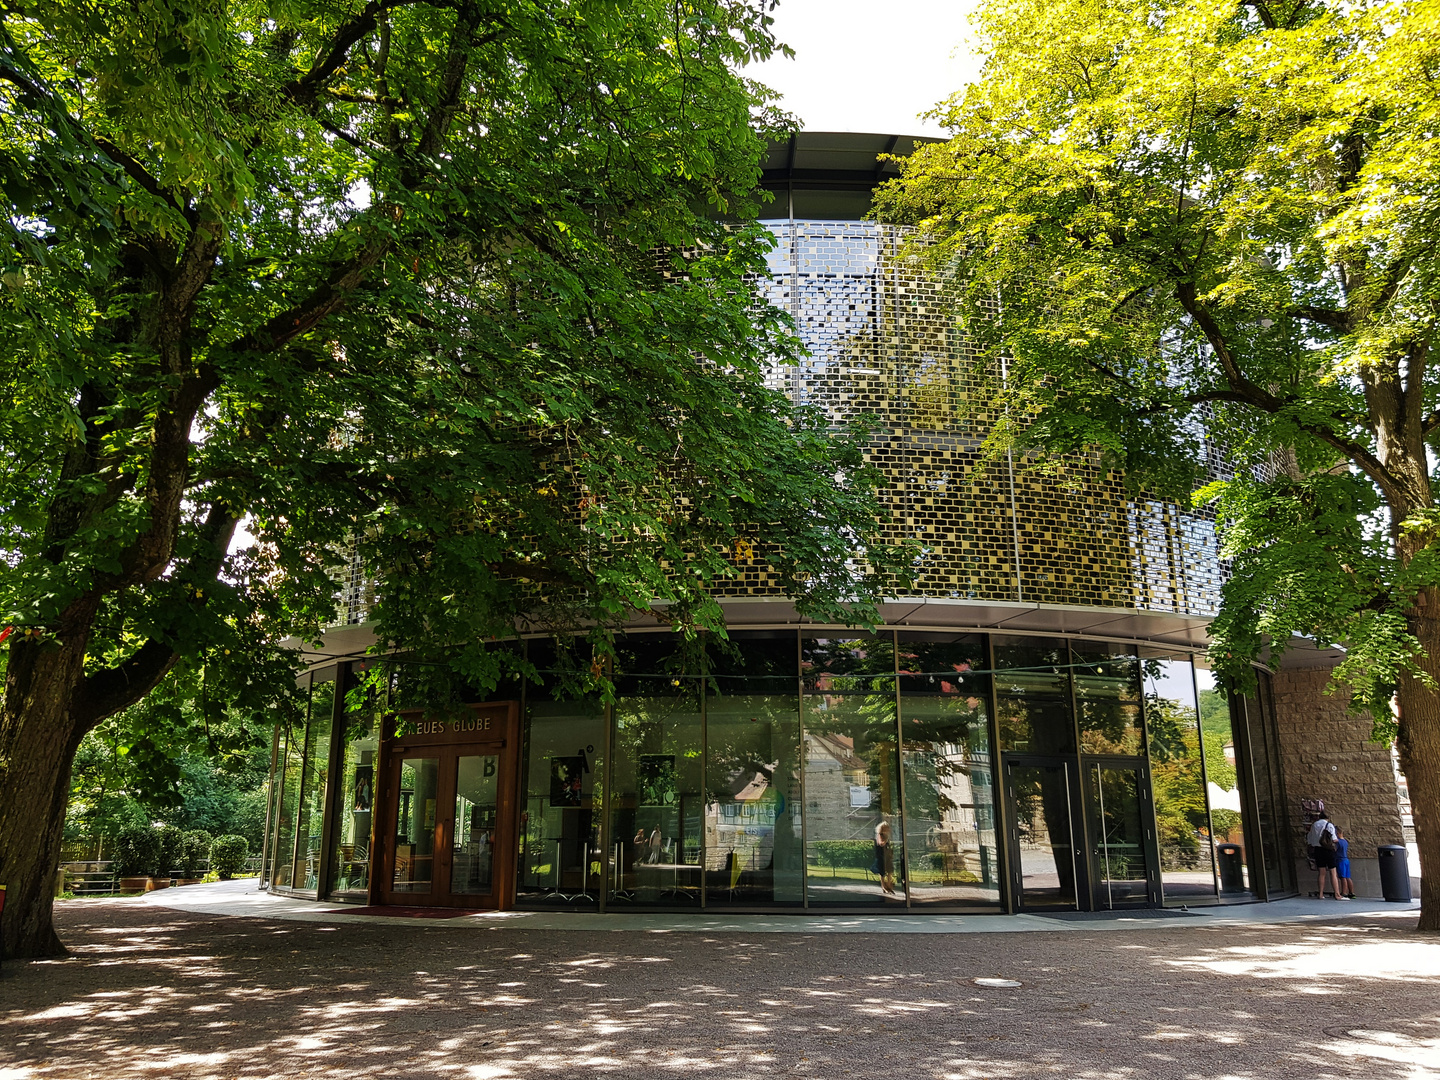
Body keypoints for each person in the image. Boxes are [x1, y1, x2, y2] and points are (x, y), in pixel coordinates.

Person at [1305, 811, 1342, 899]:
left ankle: (1321, 894)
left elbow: (1309, 839)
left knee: (1321, 873)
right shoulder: (1329, 825)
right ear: (1327, 818)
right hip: (1328, 850)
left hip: (1318, 850)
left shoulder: (1314, 825)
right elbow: (1334, 839)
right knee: (1333, 872)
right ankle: (1337, 894)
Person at [874, 820, 897, 897]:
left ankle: (889, 885)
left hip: (886, 856)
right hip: (881, 855)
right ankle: (884, 886)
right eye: (887, 828)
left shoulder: (886, 835)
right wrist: (886, 839)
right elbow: (881, 844)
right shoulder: (880, 835)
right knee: (882, 872)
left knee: (890, 870)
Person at [1335, 827, 1355, 899]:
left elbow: (1335, 850)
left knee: (1342, 877)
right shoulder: (1345, 841)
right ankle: (1351, 892)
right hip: (1346, 859)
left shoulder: (1338, 842)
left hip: (1340, 860)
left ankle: (1344, 892)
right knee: (1347, 877)